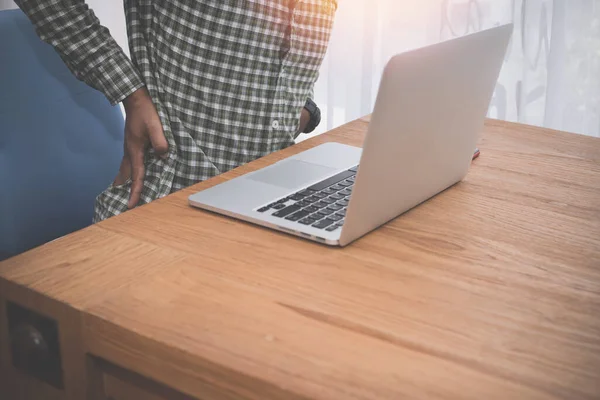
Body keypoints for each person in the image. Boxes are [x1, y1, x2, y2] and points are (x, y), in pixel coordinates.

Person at [15, 0, 335, 221]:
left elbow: (282, 52)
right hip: (172, 207)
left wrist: (302, 106)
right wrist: (128, 89)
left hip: (272, 207)